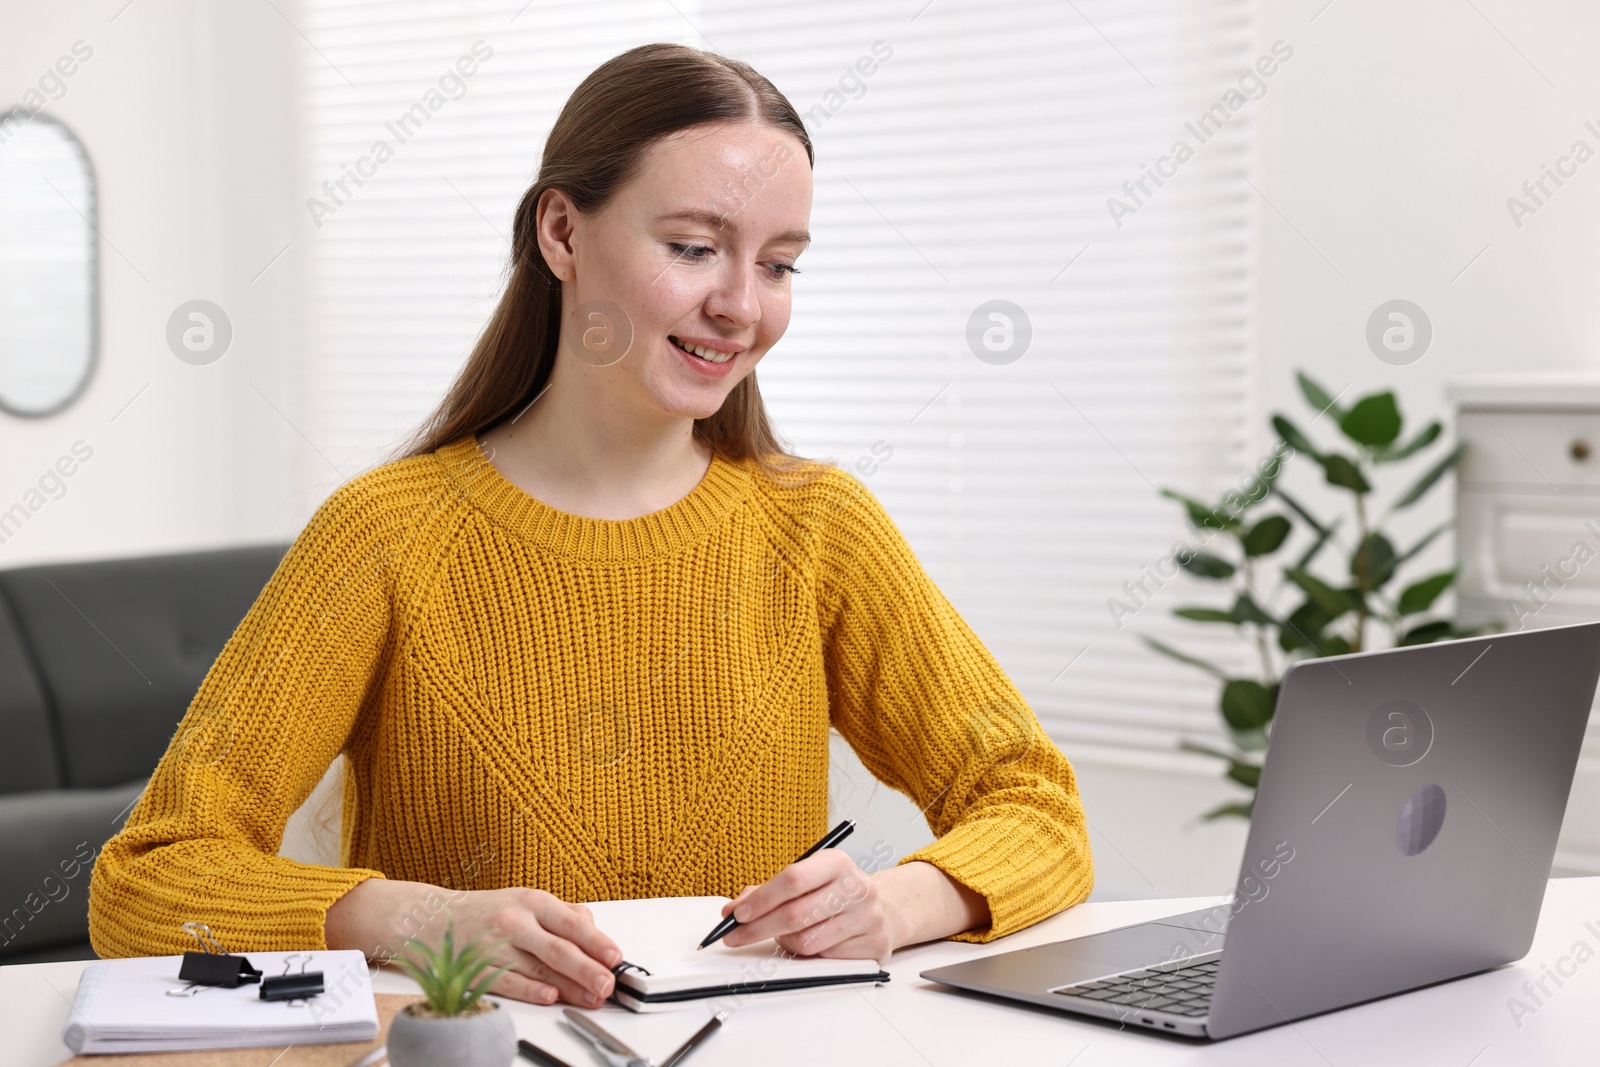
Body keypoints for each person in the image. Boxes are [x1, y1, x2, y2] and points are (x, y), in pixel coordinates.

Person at [88, 42, 1093, 1009]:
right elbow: (148, 879)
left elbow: (1035, 805)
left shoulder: (819, 528)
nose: (741, 305)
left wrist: (891, 903)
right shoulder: (382, 536)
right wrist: (414, 915)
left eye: (779, 264)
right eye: (694, 248)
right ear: (561, 233)